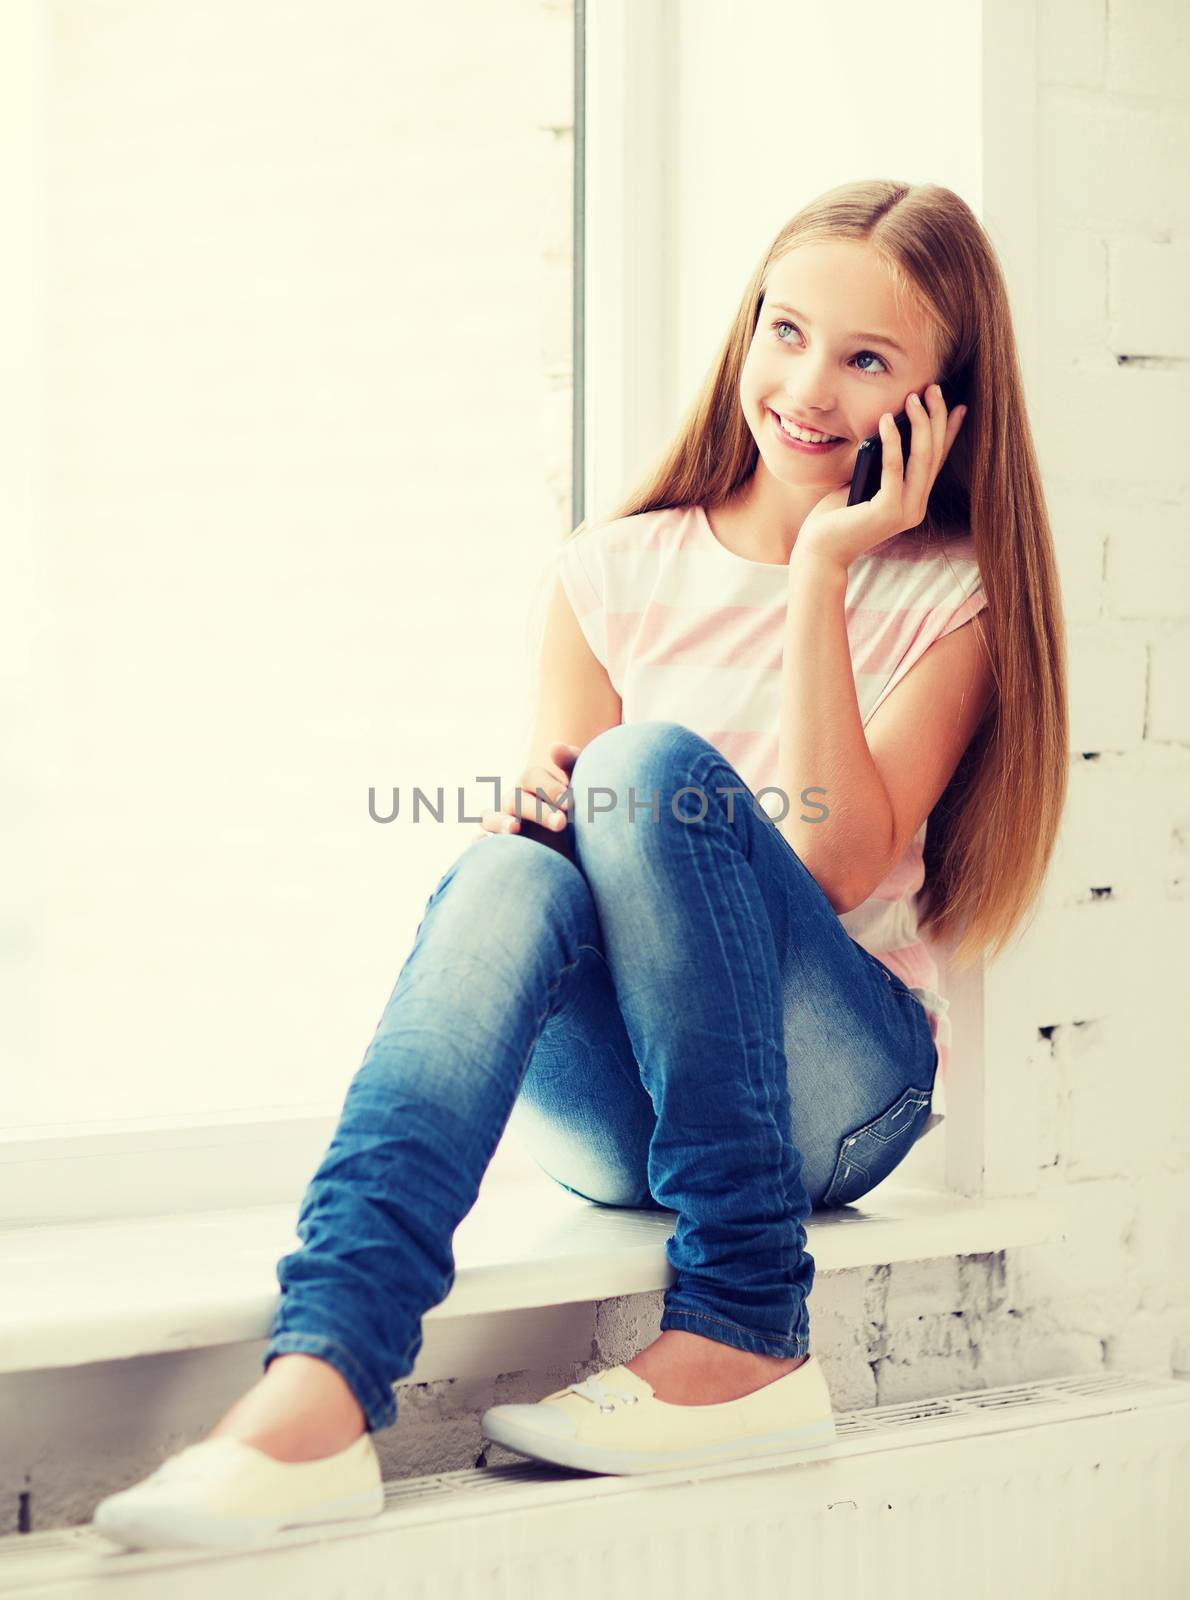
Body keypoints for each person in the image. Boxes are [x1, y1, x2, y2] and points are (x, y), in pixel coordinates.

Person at [92, 178, 1068, 1549]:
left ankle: (743, 1329)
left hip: (837, 1099)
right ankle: (321, 1375)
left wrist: (818, 575)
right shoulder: (608, 569)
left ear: (939, 404)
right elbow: (568, 868)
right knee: (512, 871)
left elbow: (835, 863)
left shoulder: (943, 590)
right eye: (783, 332)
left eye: (865, 360)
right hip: (637, 1116)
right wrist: (547, 818)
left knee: (647, 767)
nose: (805, 386)